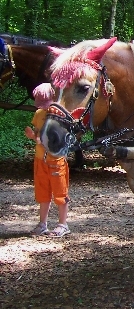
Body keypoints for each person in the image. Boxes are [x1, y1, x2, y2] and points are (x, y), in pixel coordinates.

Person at [26, 83, 72, 237]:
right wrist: (33, 136)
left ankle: (62, 224)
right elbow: (38, 135)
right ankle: (42, 223)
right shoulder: (39, 114)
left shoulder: (59, 114)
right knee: (42, 192)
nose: (44, 107)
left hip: (56, 160)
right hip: (41, 160)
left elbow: (60, 138)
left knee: (60, 193)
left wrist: (39, 139)